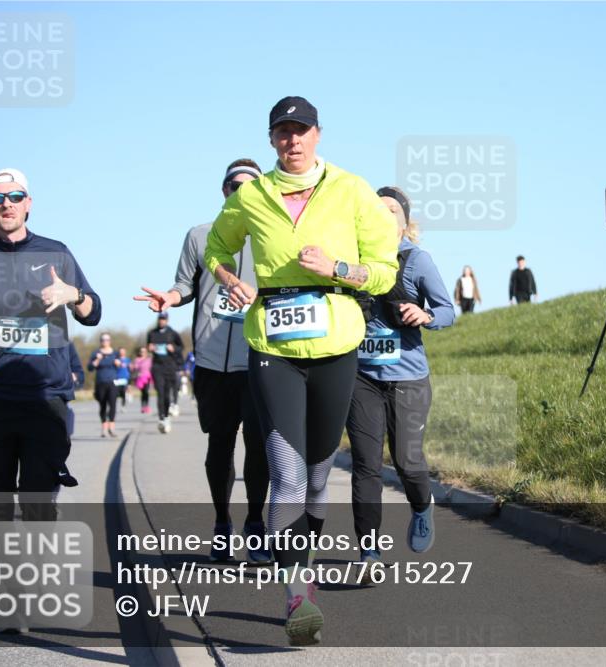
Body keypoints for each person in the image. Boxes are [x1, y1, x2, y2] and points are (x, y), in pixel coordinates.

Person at [204, 96, 398, 646]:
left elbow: (385, 271)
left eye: (301, 130)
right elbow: (215, 249)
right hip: (274, 346)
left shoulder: (352, 190)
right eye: (282, 132)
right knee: (287, 474)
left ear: (318, 135)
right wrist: (228, 277)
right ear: (271, 140)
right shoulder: (252, 194)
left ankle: (301, 562)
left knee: (316, 476)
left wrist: (340, 269)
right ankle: (297, 593)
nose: (292, 140)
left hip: (337, 341)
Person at [0, 168, 100, 524]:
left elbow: (92, 313)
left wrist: (72, 295)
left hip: (46, 395)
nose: (7, 205)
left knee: (38, 501)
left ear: (28, 203)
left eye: (15, 197)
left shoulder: (56, 253)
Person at [135, 159, 272, 564]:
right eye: (233, 185)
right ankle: (221, 523)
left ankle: (255, 524)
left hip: (258, 356)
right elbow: (184, 286)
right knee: (220, 446)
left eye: (250, 186)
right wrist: (169, 298)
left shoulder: (271, 235)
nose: (240, 191)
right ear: (224, 191)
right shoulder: (200, 236)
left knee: (259, 448)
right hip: (212, 363)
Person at [347, 186, 454, 567]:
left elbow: (447, 310)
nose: (384, 214)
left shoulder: (416, 261)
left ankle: (422, 506)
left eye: (391, 210)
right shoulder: (352, 261)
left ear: (404, 222)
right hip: (362, 378)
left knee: (407, 461)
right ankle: (369, 551)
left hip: (408, 376)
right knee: (366, 463)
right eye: (377, 209)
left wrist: (426, 316)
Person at [147, 313, 183, 433]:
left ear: (167, 320)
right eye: (160, 319)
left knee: (167, 394)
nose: (161, 321)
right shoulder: (152, 333)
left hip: (170, 366)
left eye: (164, 319)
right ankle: (161, 418)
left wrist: (174, 348)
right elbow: (148, 346)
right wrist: (150, 348)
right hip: (157, 366)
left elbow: (181, 347)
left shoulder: (172, 333)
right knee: (160, 393)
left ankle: (166, 416)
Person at [87, 333, 120, 437]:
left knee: (113, 404)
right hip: (100, 382)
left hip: (113, 382)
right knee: (103, 405)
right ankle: (104, 428)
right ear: (100, 341)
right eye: (103, 339)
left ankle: (112, 428)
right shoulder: (96, 353)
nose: (105, 341)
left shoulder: (115, 353)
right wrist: (97, 359)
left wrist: (118, 363)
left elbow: (122, 366)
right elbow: (90, 368)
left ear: (110, 341)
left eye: (107, 339)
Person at [131, 346, 153, 414]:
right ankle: (143, 406)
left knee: (146, 392)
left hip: (148, 377)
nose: (142, 353)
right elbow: (134, 369)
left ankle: (146, 406)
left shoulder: (149, 359)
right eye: (141, 351)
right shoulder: (137, 360)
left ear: (146, 352)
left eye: (144, 351)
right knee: (143, 392)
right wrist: (133, 367)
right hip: (140, 378)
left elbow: (152, 368)